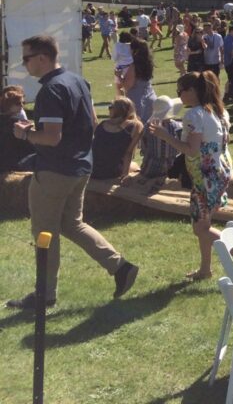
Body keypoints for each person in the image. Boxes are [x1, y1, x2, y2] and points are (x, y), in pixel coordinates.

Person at [6, 35, 138, 310]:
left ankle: (45, 294)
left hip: (54, 171)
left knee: (45, 232)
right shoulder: (77, 81)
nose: (24, 63)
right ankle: (120, 267)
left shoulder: (50, 90)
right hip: (80, 167)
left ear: (42, 58)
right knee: (71, 224)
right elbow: (91, 121)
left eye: (27, 58)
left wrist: (25, 133)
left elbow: (51, 138)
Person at [149, 71, 232, 280]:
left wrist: (164, 136)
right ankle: (205, 270)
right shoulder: (219, 111)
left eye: (180, 91)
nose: (179, 95)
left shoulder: (194, 115)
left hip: (205, 177)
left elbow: (192, 150)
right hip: (220, 171)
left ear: (193, 91)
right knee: (205, 224)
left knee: (200, 229)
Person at [91, 97, 144, 181]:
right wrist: (125, 175)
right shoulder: (136, 126)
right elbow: (128, 153)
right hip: (113, 172)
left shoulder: (102, 124)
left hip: (94, 170)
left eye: (110, 107)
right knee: (135, 166)